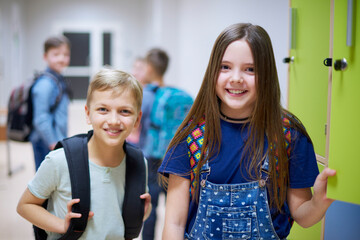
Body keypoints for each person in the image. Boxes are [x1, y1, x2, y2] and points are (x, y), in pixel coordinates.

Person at [158, 23, 336, 240]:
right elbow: (174, 224)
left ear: (267, 74)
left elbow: (303, 215)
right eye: (225, 67)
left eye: (250, 69)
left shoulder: (289, 135)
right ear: (212, 71)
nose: (236, 78)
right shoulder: (192, 137)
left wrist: (319, 201)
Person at [17, 69, 152, 239]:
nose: (113, 121)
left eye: (125, 111)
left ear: (137, 120)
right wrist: (62, 225)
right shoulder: (60, 161)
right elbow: (25, 205)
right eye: (103, 109)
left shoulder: (139, 163)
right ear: (88, 114)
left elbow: (123, 217)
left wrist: (142, 213)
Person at [30, 35, 71, 171]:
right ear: (45, 57)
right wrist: (53, 142)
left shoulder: (57, 79)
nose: (61, 58)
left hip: (56, 139)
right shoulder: (45, 83)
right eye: (56, 54)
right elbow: (41, 118)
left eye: (65, 54)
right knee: (45, 184)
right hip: (46, 142)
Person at [141, 48, 169, 240]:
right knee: (173, 203)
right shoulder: (171, 93)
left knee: (150, 204)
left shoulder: (146, 94)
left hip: (150, 155)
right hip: (170, 156)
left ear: (149, 68)